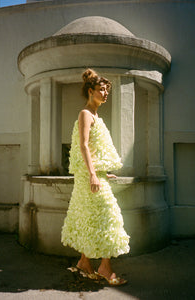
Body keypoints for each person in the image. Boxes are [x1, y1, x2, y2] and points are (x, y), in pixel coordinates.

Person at [61, 69, 130, 285]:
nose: (106, 93)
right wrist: (92, 174)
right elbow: (82, 145)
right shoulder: (85, 114)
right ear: (90, 91)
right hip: (88, 177)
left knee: (90, 217)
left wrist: (101, 171)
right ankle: (105, 268)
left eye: (107, 90)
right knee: (108, 216)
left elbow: (93, 148)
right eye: (102, 89)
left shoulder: (96, 116)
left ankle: (84, 263)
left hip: (94, 175)